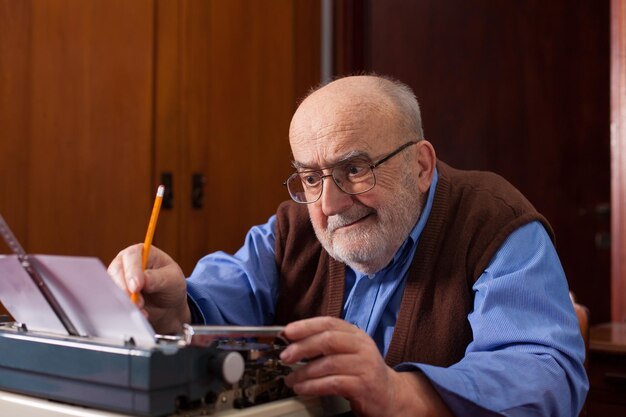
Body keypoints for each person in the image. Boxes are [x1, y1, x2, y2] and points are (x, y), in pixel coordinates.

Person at [108, 75, 588, 416]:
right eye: (311, 177)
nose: (330, 202)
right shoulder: (293, 229)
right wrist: (174, 311)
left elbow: (546, 375)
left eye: (355, 169)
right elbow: (218, 297)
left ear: (420, 167)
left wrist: (399, 394)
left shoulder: (494, 222)